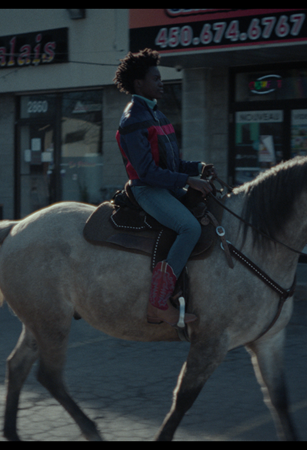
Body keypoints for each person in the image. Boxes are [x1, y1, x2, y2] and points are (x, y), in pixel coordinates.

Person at [113, 48, 215, 327]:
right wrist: (187, 181)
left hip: (166, 186)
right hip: (147, 189)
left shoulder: (158, 115)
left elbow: (172, 163)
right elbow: (147, 172)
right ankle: (158, 304)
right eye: (155, 78)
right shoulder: (133, 120)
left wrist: (197, 168)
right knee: (190, 228)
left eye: (161, 78)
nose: (161, 83)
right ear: (139, 84)